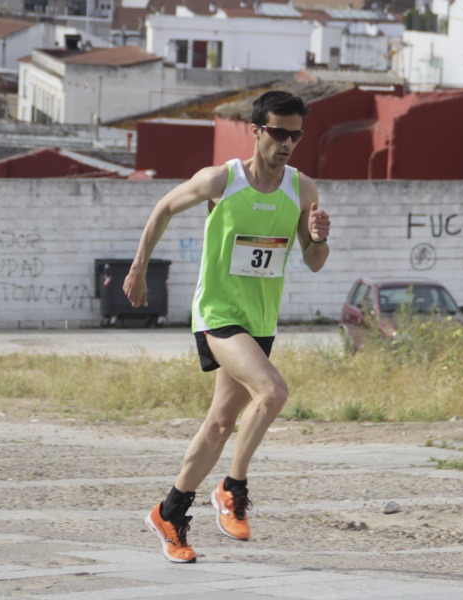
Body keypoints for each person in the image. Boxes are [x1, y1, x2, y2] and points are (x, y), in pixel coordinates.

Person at [123, 90, 331, 563]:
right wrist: (138, 268)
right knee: (273, 393)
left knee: (218, 424)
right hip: (218, 316)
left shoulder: (303, 189)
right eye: (278, 132)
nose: (287, 143)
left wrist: (319, 239)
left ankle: (169, 513)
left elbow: (314, 262)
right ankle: (231, 489)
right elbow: (163, 208)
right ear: (256, 130)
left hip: (259, 322)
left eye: (295, 135)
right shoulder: (222, 180)